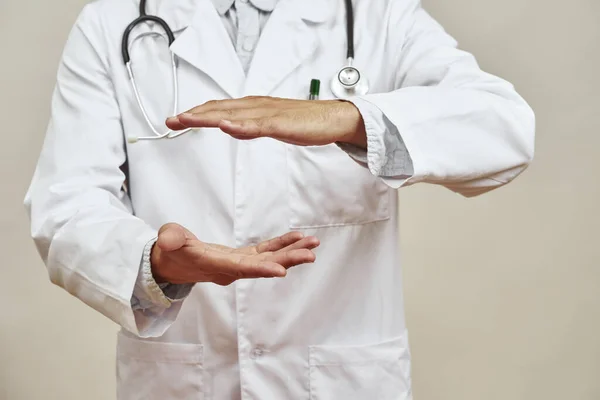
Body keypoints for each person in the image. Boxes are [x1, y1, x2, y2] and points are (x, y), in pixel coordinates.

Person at [24, 0, 535, 398]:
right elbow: (66, 207)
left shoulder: (376, 14)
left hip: (342, 383)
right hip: (180, 381)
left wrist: (348, 117)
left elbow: (504, 128)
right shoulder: (111, 22)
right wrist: (157, 264)